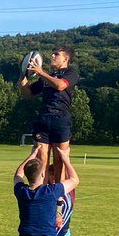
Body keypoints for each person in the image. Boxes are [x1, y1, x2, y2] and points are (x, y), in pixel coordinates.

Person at [19, 46, 78, 182]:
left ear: (65, 59)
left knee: (59, 159)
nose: (52, 56)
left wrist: (40, 72)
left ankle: (59, 193)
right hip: (43, 118)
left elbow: (60, 85)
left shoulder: (71, 73)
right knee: (41, 159)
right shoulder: (47, 77)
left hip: (61, 119)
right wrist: (23, 74)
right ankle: (42, 190)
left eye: (56, 54)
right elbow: (27, 93)